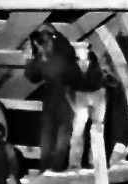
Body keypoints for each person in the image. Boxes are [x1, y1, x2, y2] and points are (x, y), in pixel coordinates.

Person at [24, 24, 76, 173]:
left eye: (47, 39)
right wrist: (29, 59)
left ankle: (56, 167)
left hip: (66, 96)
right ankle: (45, 168)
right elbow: (32, 77)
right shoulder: (41, 57)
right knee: (47, 134)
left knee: (63, 133)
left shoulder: (62, 53)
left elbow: (69, 50)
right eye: (43, 40)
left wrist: (54, 31)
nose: (45, 43)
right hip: (50, 97)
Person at [65, 42, 115, 171]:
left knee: (98, 127)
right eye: (78, 50)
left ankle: (95, 160)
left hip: (97, 93)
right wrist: (73, 105)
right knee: (78, 129)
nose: (80, 52)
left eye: (83, 49)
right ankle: (74, 162)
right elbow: (67, 89)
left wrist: (106, 78)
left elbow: (110, 81)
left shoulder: (97, 64)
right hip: (81, 94)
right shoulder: (72, 67)